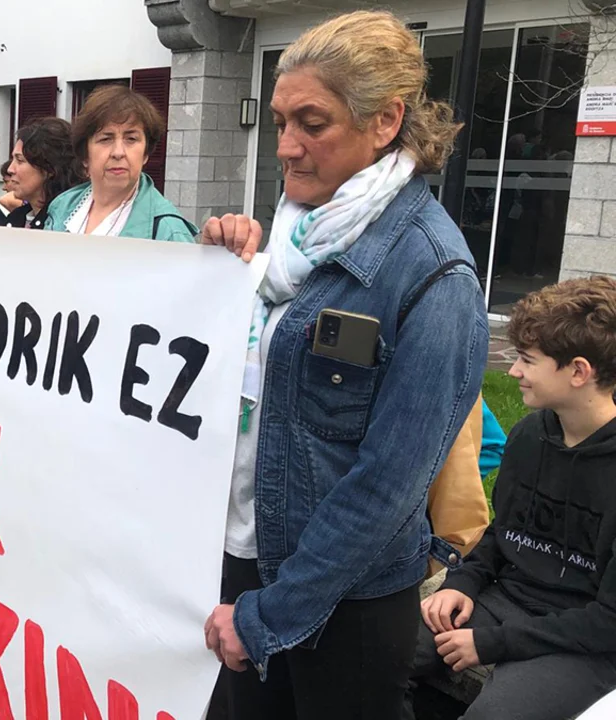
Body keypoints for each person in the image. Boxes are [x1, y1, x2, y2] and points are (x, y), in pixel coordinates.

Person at [198, 12, 488, 719]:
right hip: (240, 559)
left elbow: (387, 487)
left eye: (312, 123)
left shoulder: (434, 276)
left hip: (344, 605)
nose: (286, 146)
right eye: (280, 122)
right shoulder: (291, 237)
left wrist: (269, 615)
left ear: (386, 120)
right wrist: (215, 275)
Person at [412, 276, 616, 720]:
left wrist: (492, 643)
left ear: (579, 372)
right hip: (504, 600)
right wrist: (462, 582)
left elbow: (609, 621)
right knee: (378, 660)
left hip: (584, 641)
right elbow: (502, 534)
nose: (513, 371)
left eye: (527, 360)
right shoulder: (529, 435)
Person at [44, 86, 196, 240]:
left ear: (145, 153)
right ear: (85, 155)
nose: (118, 152)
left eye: (131, 139)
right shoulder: (62, 208)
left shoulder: (168, 230)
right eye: (106, 139)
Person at [6, 118, 81, 230]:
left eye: (20, 160)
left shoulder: (69, 224)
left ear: (49, 168)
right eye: (13, 159)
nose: (10, 169)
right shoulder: (16, 218)